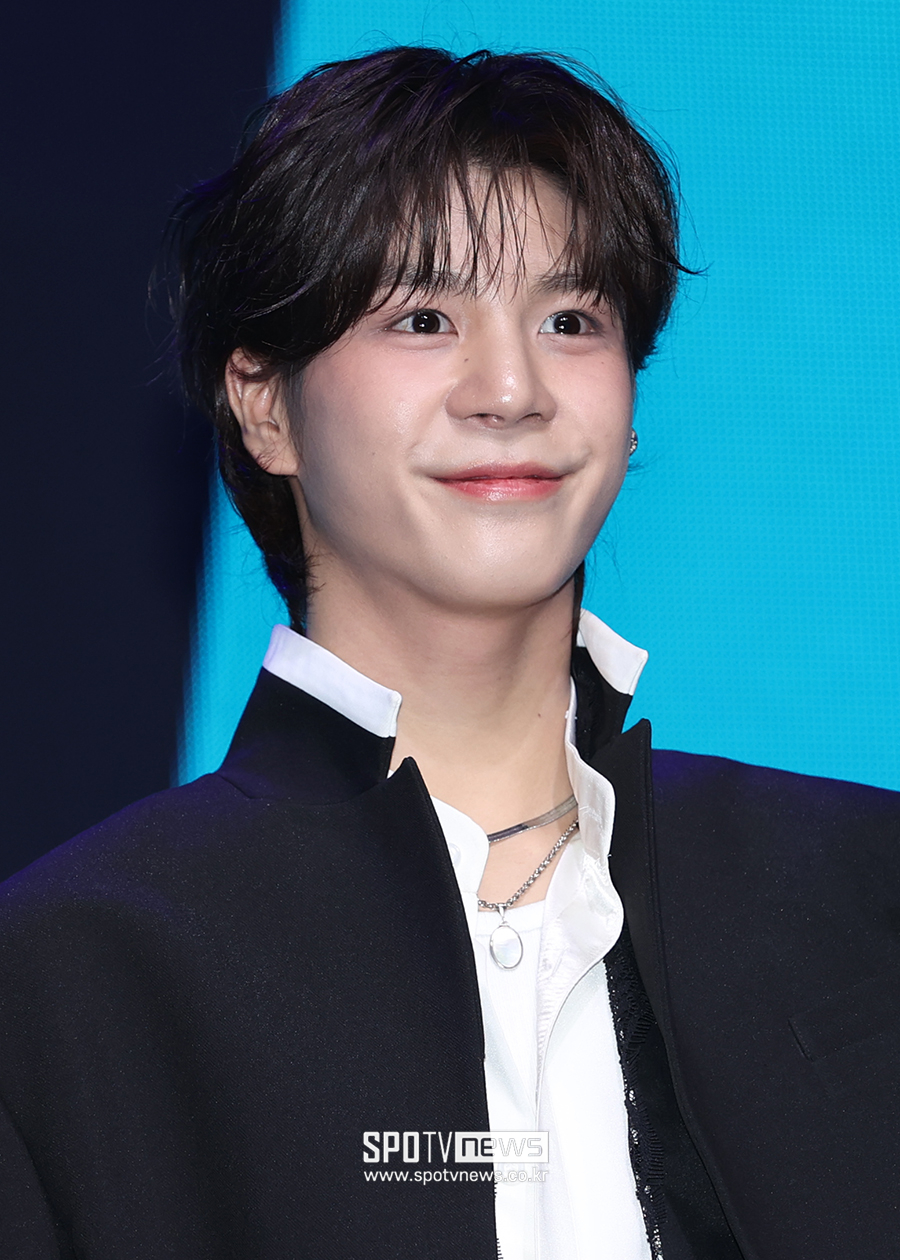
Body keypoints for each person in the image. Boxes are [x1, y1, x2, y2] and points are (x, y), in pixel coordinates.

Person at [0, 45, 897, 1260]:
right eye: (424, 319)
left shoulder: (860, 888)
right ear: (263, 403)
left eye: (571, 321)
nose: (512, 388)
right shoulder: (77, 978)